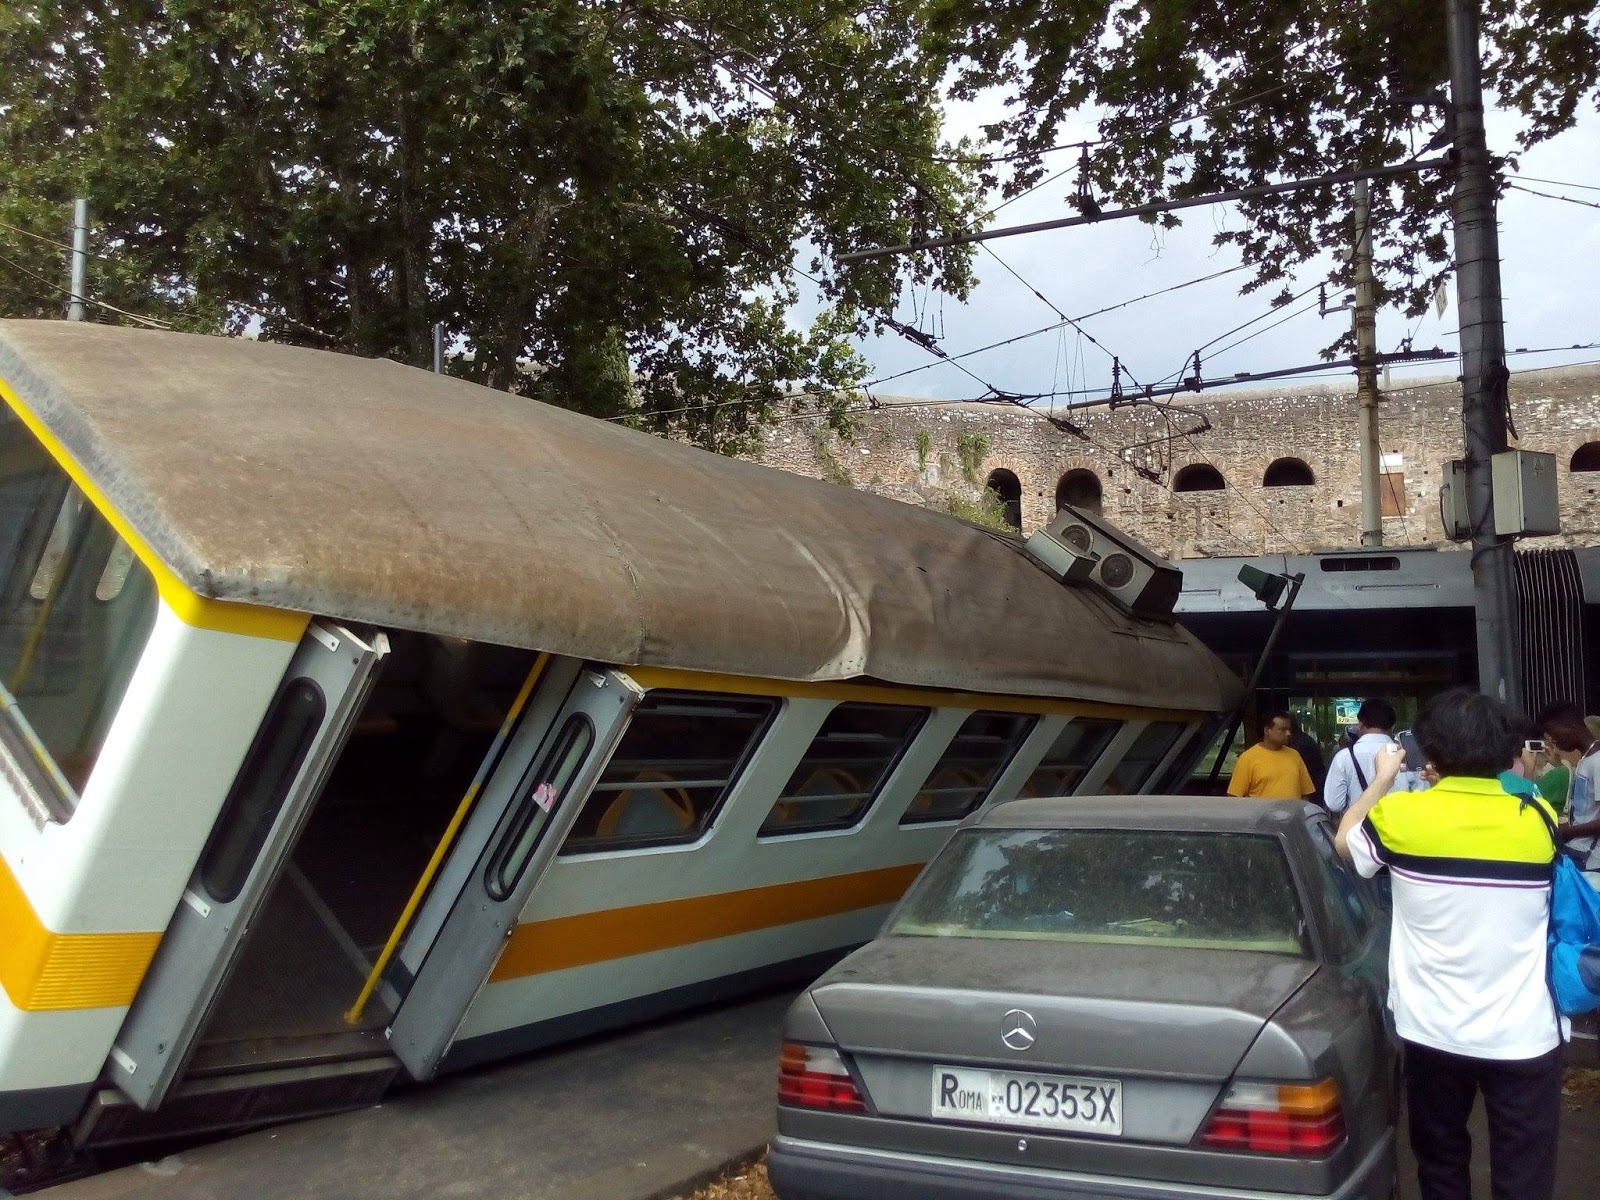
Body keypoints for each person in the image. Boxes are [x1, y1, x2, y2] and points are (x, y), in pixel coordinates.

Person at [1335, 689, 1563, 1200]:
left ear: (1429, 753)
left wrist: (1382, 780)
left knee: (1440, 1168)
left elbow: (1343, 842)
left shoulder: (1402, 820)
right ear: (1506, 752)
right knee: (1524, 1179)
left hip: (1432, 1032)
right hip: (1525, 1035)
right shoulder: (1539, 819)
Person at [1322, 698, 1419, 813]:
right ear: (1393, 726)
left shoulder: (1343, 757)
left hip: (1359, 827)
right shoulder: (1409, 756)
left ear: (1360, 723)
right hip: (1400, 827)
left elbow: (1334, 804)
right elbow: (1421, 795)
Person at [1539, 701, 1600, 873]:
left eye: (1554, 734)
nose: (1554, 741)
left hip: (1593, 862)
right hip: (1579, 854)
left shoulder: (1598, 761)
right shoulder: (1585, 759)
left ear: (1571, 725)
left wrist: (1569, 832)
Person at [1226, 711, 1315, 801]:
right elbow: (1234, 796)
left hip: (1293, 814)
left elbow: (1305, 793)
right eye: (1283, 730)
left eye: (1289, 730)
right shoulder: (1248, 758)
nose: (1288, 734)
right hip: (1262, 814)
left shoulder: (1295, 755)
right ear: (1267, 730)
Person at [1287, 717, 1326, 801]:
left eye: (1287, 729)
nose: (1287, 734)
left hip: (1311, 790)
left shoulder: (1296, 748)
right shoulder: (1303, 741)